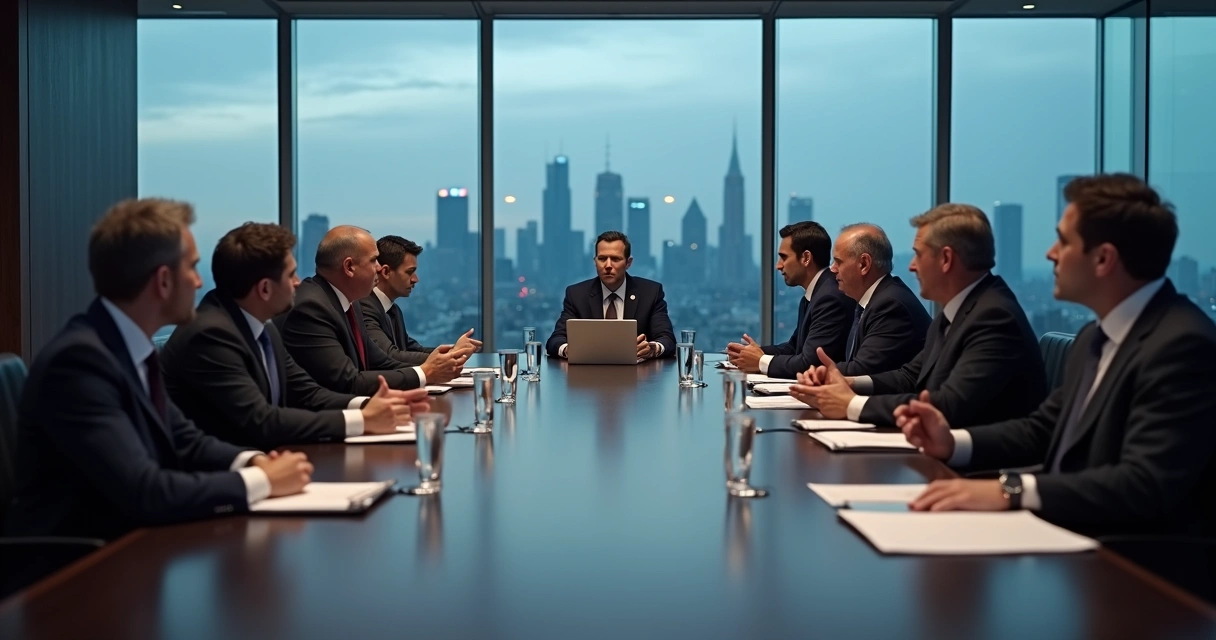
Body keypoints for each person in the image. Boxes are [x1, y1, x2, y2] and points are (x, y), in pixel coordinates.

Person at [897, 174, 1216, 537]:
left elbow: (1143, 484)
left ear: (1103, 259)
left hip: (1138, 570)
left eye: (1063, 241)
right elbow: (1042, 431)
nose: (1050, 253)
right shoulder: (1093, 337)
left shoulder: (1182, 344)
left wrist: (1011, 490)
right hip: (1073, 537)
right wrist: (952, 443)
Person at [6, 199, 312, 541]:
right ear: (163, 281)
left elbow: (186, 441)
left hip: (128, 553)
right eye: (192, 268)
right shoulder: (79, 363)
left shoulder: (127, 347)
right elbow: (145, 491)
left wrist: (256, 462)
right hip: (72, 572)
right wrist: (263, 482)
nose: (199, 283)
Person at [162, 223, 430, 449]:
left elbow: (308, 394)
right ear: (265, 288)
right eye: (290, 274)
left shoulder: (263, 328)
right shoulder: (212, 334)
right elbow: (262, 420)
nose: (298, 283)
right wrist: (363, 419)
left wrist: (372, 406)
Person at [790, 205, 1046, 427]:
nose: (911, 266)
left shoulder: (993, 316)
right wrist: (847, 382)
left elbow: (948, 404)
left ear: (946, 259)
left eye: (918, 254)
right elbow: (909, 376)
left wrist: (852, 405)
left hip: (982, 469)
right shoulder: (961, 309)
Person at [276, 225, 468, 395]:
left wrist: (432, 367)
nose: (379, 268)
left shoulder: (352, 304)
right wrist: (425, 373)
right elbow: (348, 382)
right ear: (349, 267)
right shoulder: (312, 308)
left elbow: (380, 362)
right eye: (374, 260)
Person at [726, 221, 852, 378]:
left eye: (784, 258)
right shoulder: (816, 294)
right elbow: (794, 348)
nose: (778, 266)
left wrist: (761, 360)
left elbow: (810, 363)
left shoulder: (830, 298)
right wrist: (751, 353)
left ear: (806, 258)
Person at [546, 231, 676, 360]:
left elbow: (667, 339)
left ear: (628, 263)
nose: (608, 265)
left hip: (639, 377)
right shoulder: (576, 294)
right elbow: (555, 340)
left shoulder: (650, 292)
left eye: (615, 259)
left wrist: (652, 348)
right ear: (595, 261)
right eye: (602, 259)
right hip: (588, 375)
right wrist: (570, 350)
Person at [359, 234, 481, 365]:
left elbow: (413, 349)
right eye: (409, 272)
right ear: (386, 272)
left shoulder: (393, 310)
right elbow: (390, 356)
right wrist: (452, 354)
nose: (415, 279)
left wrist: (455, 350)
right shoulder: (365, 307)